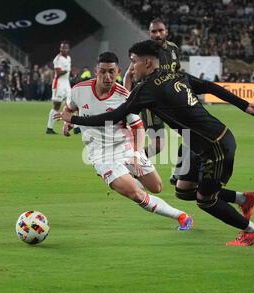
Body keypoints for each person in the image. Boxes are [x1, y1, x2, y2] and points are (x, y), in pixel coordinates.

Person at [56, 40, 254, 246]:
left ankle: (252, 231)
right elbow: (209, 87)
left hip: (215, 147)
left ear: (147, 62)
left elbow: (112, 116)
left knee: (205, 200)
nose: (131, 69)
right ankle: (243, 199)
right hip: (199, 145)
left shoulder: (146, 89)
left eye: (133, 62)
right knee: (183, 190)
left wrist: (73, 120)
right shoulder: (175, 74)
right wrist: (245, 106)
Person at [61, 51, 194, 231]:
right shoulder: (79, 90)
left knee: (156, 187)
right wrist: (66, 123)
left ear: (118, 72)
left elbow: (138, 128)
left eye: (111, 72)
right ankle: (182, 217)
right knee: (137, 194)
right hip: (101, 155)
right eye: (103, 72)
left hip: (126, 148)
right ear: (96, 71)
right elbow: (68, 110)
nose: (107, 77)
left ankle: (125, 176)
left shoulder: (125, 96)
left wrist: (136, 154)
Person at [124, 18, 180, 160]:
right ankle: (133, 163)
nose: (157, 35)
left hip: (171, 101)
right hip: (150, 104)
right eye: (154, 31)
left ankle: (183, 174)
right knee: (158, 145)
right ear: (149, 33)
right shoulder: (144, 52)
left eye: (160, 30)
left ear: (166, 31)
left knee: (192, 135)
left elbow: (177, 71)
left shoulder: (174, 49)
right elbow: (129, 75)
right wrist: (126, 100)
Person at [46, 41, 79, 134]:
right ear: (60, 49)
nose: (64, 49)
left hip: (66, 83)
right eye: (62, 48)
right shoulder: (58, 59)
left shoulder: (68, 58)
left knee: (73, 104)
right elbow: (58, 72)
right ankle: (49, 128)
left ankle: (76, 127)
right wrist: (69, 70)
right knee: (57, 105)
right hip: (59, 84)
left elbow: (67, 72)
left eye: (66, 48)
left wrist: (72, 74)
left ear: (68, 49)